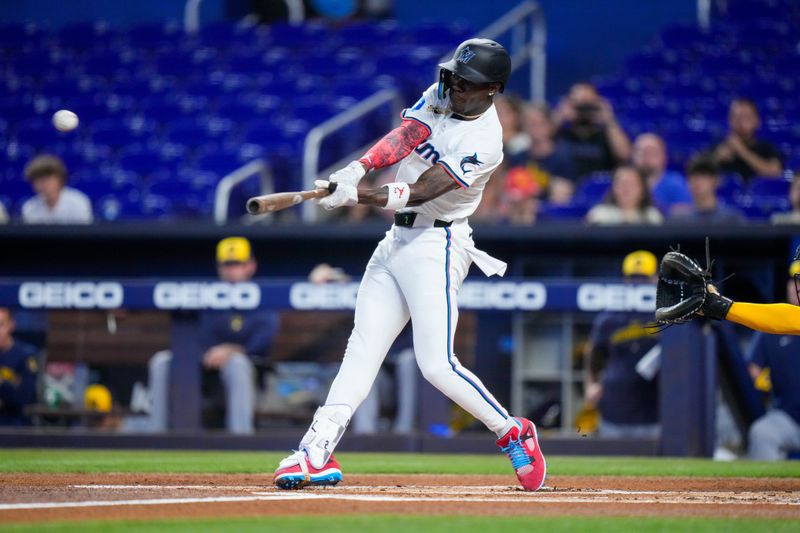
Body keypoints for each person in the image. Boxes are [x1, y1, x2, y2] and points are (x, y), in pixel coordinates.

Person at [273, 39, 547, 492]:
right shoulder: (443, 91)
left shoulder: (485, 142)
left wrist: (356, 195)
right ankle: (314, 452)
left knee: (437, 364)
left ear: (493, 89)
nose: (456, 86)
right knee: (361, 350)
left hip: (437, 244)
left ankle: (512, 430)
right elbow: (406, 137)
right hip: (397, 239)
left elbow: (421, 191)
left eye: (469, 82)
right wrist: (357, 169)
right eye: (455, 76)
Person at [148, 237, 279, 434]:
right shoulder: (205, 293)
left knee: (237, 363)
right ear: (219, 267)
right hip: (201, 364)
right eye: (227, 264)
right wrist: (203, 352)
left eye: (238, 264)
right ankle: (156, 436)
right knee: (161, 362)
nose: (232, 270)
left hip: (243, 370)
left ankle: (240, 439)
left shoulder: (260, 295)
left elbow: (265, 339)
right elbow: (188, 331)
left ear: (251, 266)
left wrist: (234, 350)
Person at [584, 251, 661, 439]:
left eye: (643, 278)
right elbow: (594, 354)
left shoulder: (665, 315)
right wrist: (591, 384)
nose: (637, 284)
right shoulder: (610, 317)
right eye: (633, 278)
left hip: (655, 409)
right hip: (615, 408)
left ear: (656, 279)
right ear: (625, 280)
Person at [746, 260, 800, 460]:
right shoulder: (773, 327)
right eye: (795, 281)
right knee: (762, 433)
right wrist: (760, 383)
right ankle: (767, 491)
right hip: (788, 417)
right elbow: (753, 369)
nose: (798, 287)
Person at [553, 82, 631, 178]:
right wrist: (559, 116)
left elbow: (625, 155)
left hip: (600, 187)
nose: (584, 111)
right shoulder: (561, 133)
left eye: (588, 105)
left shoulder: (608, 135)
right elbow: (540, 145)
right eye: (580, 105)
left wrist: (609, 120)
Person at [507, 103, 578, 205]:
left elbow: (568, 190)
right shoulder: (517, 158)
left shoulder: (564, 158)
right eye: (530, 124)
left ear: (550, 126)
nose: (535, 128)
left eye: (540, 123)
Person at [711, 99, 783, 180]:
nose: (740, 122)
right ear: (730, 120)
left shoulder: (766, 147)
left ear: (757, 121)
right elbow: (697, 170)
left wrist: (741, 149)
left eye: (746, 117)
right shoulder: (719, 146)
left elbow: (775, 172)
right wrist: (715, 158)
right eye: (736, 117)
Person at [668, 156, 745, 224]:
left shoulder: (731, 219)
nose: (697, 181)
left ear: (716, 181)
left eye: (703, 176)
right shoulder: (679, 221)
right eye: (693, 176)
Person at [21, 155, 93, 224]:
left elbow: (83, 235)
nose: (41, 185)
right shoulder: (29, 208)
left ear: (59, 179)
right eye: (37, 180)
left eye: (45, 179)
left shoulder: (79, 202)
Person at [632, 133, 692, 215]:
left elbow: (683, 216)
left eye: (652, 152)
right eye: (642, 152)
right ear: (633, 156)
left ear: (664, 157)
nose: (647, 157)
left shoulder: (676, 184)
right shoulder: (624, 182)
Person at [585, 165, 663, 225]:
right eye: (621, 183)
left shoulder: (652, 216)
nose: (626, 188)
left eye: (631, 184)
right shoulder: (598, 215)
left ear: (642, 189)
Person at [0, 308, 39, 426]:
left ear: (11, 326)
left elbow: (25, 396)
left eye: (1, 325)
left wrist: (3, 383)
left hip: (14, 423)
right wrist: (12, 382)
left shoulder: (25, 355)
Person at [494, 94, 530, 158]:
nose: (498, 117)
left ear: (516, 116)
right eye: (495, 112)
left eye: (503, 113)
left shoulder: (525, 142)